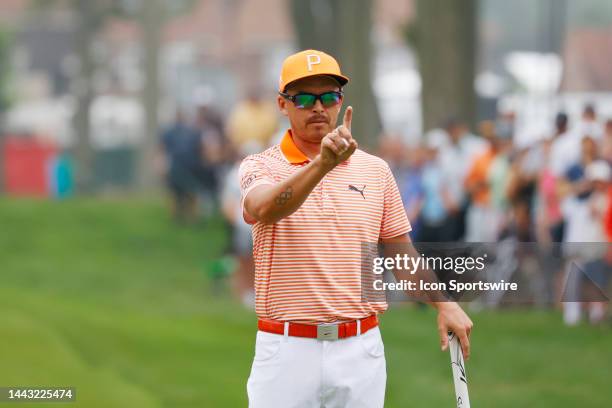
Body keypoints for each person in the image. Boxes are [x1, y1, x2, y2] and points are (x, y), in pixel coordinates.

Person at [239, 49, 473, 407]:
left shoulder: (375, 170)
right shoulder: (261, 165)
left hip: (359, 347)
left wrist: (444, 304)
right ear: (282, 105)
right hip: (286, 348)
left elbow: (401, 253)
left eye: (328, 96)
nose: (318, 107)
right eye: (303, 97)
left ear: (340, 101)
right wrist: (322, 165)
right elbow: (264, 208)